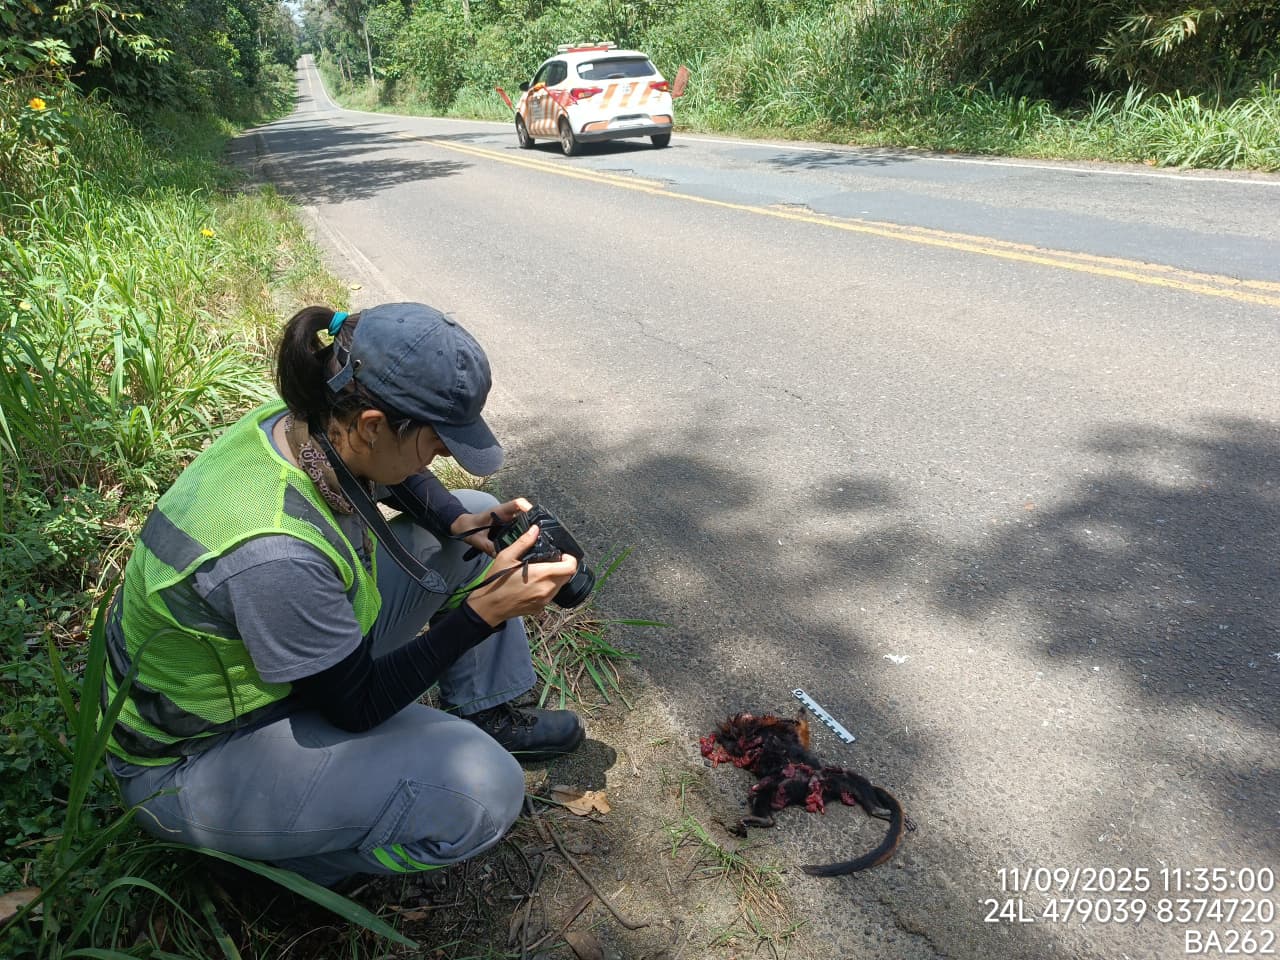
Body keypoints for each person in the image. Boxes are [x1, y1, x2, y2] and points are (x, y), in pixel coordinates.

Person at [102, 301, 585, 887]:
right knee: (486, 791)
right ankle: (293, 866)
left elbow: (388, 472)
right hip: (193, 759)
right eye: (437, 444)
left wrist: (453, 518)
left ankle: (488, 711)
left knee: (475, 515)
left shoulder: (307, 420)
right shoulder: (275, 550)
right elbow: (354, 706)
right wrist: (482, 613)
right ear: (372, 425)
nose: (443, 457)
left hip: (284, 675)